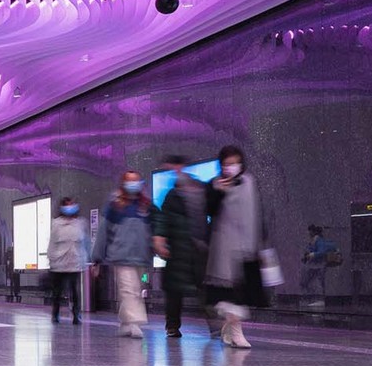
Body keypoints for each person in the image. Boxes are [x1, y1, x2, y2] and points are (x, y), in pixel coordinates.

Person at [204, 144, 272, 349]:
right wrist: (220, 193)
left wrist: (260, 244)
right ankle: (236, 332)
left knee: (241, 293)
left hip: (247, 246)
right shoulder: (214, 185)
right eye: (227, 164)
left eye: (235, 163)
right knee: (229, 294)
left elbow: (256, 213)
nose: (231, 167)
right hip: (224, 246)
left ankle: (229, 329)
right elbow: (209, 211)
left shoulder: (250, 183)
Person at [151, 154, 210, 339]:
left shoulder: (201, 190)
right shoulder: (172, 196)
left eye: (175, 167)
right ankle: (172, 326)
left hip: (198, 249)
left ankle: (216, 326)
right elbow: (164, 219)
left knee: (206, 288)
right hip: (177, 248)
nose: (175, 172)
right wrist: (160, 240)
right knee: (175, 291)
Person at [92, 170, 154, 337]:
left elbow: (152, 232)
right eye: (129, 181)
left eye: (136, 180)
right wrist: (96, 258)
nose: (133, 184)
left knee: (137, 289)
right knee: (128, 290)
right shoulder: (115, 206)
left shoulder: (146, 206)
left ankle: (125, 322)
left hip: (141, 258)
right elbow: (103, 232)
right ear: (123, 183)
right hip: (120, 256)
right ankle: (135, 323)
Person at [46, 196, 89, 324]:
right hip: (59, 263)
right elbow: (52, 243)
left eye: (72, 205)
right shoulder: (56, 224)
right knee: (57, 291)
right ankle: (56, 314)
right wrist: (51, 259)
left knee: (74, 290)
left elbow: (84, 244)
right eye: (67, 205)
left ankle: (76, 314)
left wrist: (85, 260)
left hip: (74, 263)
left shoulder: (80, 224)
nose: (69, 208)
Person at [300, 224, 338, 302]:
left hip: (318, 265)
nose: (309, 233)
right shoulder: (314, 240)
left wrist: (311, 255)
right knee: (312, 282)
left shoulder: (318, 240)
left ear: (313, 232)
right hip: (315, 265)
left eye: (310, 231)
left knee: (316, 282)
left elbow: (321, 252)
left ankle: (318, 299)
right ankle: (315, 299)